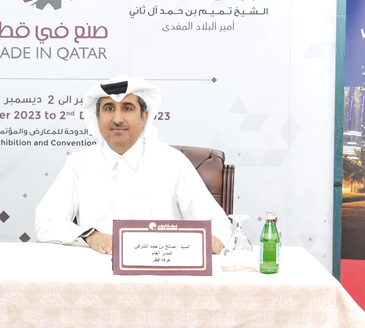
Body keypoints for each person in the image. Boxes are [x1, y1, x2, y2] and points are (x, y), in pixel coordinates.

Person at [35, 76, 230, 255]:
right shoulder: (79, 163)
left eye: (127, 108)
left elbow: (217, 224)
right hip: (96, 273)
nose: (117, 119)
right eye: (109, 109)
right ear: (97, 117)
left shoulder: (172, 161)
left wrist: (215, 240)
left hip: (162, 273)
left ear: (144, 117)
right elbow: (46, 222)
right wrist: (91, 236)